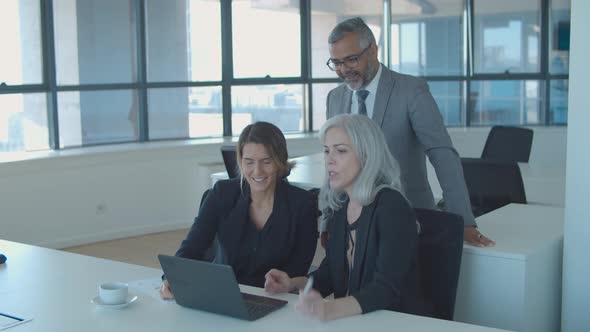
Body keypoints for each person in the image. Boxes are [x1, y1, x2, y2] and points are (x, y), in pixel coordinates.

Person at [324, 17, 494, 247]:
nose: (343, 70)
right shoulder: (335, 98)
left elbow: (442, 154)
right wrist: (328, 220)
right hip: (353, 222)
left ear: (373, 49)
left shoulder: (411, 91)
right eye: (336, 63)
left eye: (351, 60)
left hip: (408, 217)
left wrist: (463, 220)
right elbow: (332, 163)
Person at [265, 114, 424, 320]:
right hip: (355, 322)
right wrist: (292, 284)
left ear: (367, 156)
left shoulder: (391, 206)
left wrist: (329, 309)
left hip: (396, 323)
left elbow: (385, 290)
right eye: (326, 151)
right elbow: (330, 274)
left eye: (340, 151)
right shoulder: (341, 206)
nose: (329, 159)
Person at [160, 122, 318, 299]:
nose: (257, 171)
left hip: (274, 299)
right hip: (221, 294)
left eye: (266, 161)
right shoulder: (222, 194)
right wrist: (171, 278)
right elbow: (191, 248)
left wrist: (283, 284)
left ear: (280, 161)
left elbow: (298, 270)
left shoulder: (303, 205)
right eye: (249, 162)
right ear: (240, 162)